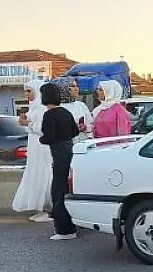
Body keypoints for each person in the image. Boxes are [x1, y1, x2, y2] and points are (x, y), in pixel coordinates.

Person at [39, 83, 79, 241]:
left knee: (58, 191)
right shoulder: (66, 112)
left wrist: (41, 138)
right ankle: (73, 223)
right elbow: (75, 131)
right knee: (67, 189)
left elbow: (48, 137)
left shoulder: (49, 115)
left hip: (58, 153)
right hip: (70, 150)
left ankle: (64, 229)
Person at [11, 79, 53, 222]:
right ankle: (40, 208)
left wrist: (27, 123)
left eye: (29, 91)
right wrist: (25, 122)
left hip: (43, 147)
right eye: (25, 91)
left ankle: (48, 209)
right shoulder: (33, 108)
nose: (26, 94)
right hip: (34, 147)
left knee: (44, 175)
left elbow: (44, 129)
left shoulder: (42, 108)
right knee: (35, 175)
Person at [52, 77, 93, 143]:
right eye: (73, 86)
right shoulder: (54, 107)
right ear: (62, 88)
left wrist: (85, 127)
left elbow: (90, 124)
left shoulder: (81, 105)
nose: (77, 89)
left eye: (77, 86)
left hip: (82, 143)